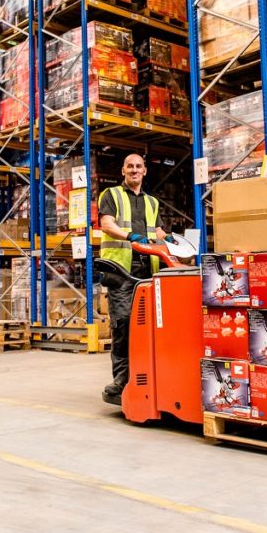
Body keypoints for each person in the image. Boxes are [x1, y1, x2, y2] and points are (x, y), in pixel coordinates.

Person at [98, 153, 167, 405]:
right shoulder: (111, 195)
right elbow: (107, 224)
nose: (135, 170)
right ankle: (121, 381)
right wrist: (130, 236)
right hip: (121, 271)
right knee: (124, 324)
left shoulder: (152, 202)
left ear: (145, 171)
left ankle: (146, 376)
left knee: (149, 326)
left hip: (148, 271)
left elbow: (157, 231)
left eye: (139, 166)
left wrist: (170, 240)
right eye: (130, 166)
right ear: (123, 170)